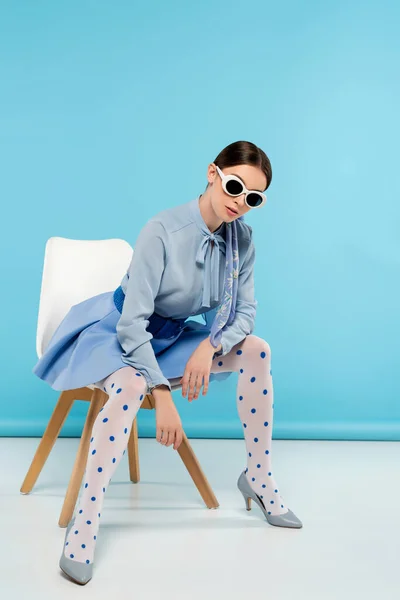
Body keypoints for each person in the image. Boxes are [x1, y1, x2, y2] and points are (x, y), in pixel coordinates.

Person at [33, 140, 302, 585]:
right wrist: (163, 393)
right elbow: (132, 324)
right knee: (133, 387)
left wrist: (209, 346)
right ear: (213, 173)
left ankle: (258, 477)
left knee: (257, 348)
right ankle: (86, 518)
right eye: (235, 186)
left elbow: (246, 313)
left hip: (175, 336)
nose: (240, 203)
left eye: (253, 198)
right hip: (120, 331)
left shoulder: (243, 241)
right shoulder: (162, 229)